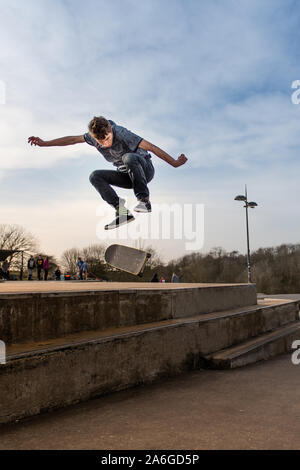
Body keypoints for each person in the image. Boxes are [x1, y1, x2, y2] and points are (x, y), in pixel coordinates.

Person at [28, 116, 188, 230]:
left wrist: (174, 163)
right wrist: (44, 143)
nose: (106, 143)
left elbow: (151, 147)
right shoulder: (91, 138)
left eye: (108, 138)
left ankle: (144, 200)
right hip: (126, 176)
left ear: (111, 130)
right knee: (95, 176)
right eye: (101, 141)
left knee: (129, 157)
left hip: (144, 170)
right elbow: (71, 140)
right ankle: (122, 212)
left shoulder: (122, 133)